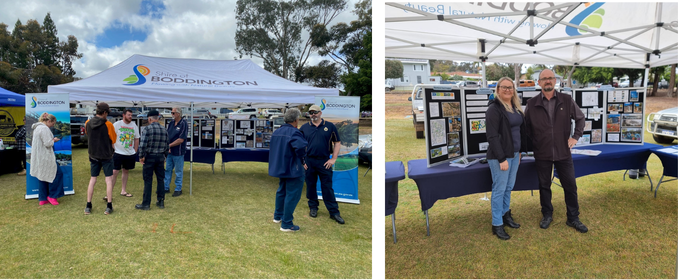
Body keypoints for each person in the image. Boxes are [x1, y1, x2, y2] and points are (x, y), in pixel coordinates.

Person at [525, 69, 588, 233]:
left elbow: (581, 119)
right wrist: (535, 144)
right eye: (544, 79)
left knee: (570, 186)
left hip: (563, 152)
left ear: (555, 81)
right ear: (538, 83)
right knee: (544, 186)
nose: (547, 81)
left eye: (550, 78)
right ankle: (547, 214)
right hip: (542, 154)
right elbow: (526, 129)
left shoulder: (566, 100)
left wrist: (575, 137)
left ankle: (573, 218)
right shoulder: (531, 104)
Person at [485, 77, 529, 240]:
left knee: (508, 187)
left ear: (513, 90)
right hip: (500, 157)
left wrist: (518, 153)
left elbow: (519, 131)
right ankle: (497, 224)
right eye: (503, 87)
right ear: (497, 89)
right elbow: (492, 136)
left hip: (514, 154)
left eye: (510, 87)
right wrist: (502, 158)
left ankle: (505, 215)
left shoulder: (515, 107)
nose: (507, 90)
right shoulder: (494, 109)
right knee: (499, 189)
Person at [299, 105, 344, 224]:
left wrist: (333, 159)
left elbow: (337, 143)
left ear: (320, 113)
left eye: (315, 112)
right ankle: (313, 207)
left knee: (327, 187)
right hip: (309, 161)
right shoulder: (304, 128)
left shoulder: (330, 126)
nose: (313, 115)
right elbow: (299, 145)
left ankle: (334, 212)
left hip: (324, 161)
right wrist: (302, 161)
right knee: (310, 185)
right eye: (310, 113)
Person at [269, 108, 308, 232]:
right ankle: (286, 223)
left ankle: (278, 216)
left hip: (281, 167)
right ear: (296, 120)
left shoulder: (277, 132)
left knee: (282, 191)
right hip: (293, 168)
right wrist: (303, 160)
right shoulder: (294, 132)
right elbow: (301, 147)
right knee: (292, 195)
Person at [84, 102, 117, 215]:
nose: (107, 115)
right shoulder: (108, 124)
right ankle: (109, 205)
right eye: (107, 113)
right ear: (104, 112)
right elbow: (113, 140)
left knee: (93, 179)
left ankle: (88, 205)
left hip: (93, 155)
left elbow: (88, 134)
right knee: (108, 180)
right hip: (106, 155)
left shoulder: (87, 122)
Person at [135, 110, 169, 210]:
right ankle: (160, 201)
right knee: (160, 180)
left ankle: (146, 204)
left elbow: (143, 144)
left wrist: (141, 156)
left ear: (149, 119)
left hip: (149, 157)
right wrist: (165, 157)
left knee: (148, 180)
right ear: (157, 118)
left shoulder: (147, 129)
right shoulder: (164, 129)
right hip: (160, 157)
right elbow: (167, 145)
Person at [103, 109, 140, 200]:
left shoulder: (134, 125)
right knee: (115, 172)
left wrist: (135, 150)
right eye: (128, 115)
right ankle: (109, 193)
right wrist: (112, 149)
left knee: (126, 171)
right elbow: (110, 136)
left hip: (129, 153)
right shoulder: (116, 125)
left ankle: (123, 190)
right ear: (123, 115)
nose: (130, 117)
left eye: (131, 115)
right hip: (118, 152)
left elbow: (136, 138)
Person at [31, 112, 64, 205]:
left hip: (39, 156)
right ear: (49, 121)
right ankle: (52, 196)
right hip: (46, 156)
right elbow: (48, 143)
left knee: (42, 176)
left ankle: (43, 198)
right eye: (53, 124)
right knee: (57, 174)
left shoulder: (37, 128)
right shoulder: (44, 129)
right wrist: (54, 140)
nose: (53, 126)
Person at [165, 107, 188, 197]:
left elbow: (181, 139)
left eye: (173, 113)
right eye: (171, 113)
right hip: (170, 151)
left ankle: (178, 188)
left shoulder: (183, 123)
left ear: (178, 114)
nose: (172, 114)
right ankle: (166, 187)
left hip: (178, 152)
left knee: (178, 171)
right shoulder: (171, 123)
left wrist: (169, 145)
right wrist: (168, 146)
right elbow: (167, 135)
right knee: (167, 169)